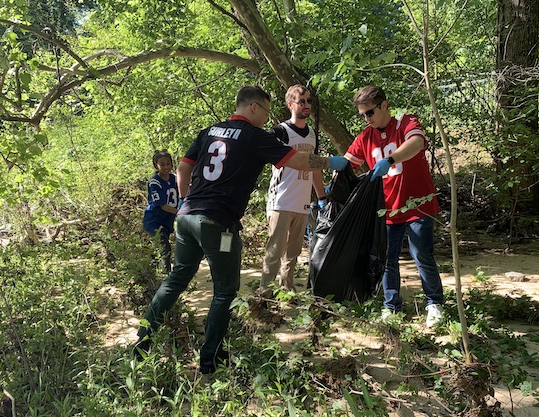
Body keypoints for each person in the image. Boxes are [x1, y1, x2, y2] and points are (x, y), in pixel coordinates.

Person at [135, 85, 349, 373]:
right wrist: (333, 162)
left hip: (186, 219)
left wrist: (187, 201)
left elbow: (184, 169)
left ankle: (142, 341)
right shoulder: (254, 137)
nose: (267, 118)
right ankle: (210, 360)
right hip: (218, 223)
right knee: (224, 291)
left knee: (175, 280)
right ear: (254, 108)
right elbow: (299, 161)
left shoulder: (209, 131)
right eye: (266, 111)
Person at [343, 85, 444, 328]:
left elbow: (417, 143)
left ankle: (434, 303)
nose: (366, 119)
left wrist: (390, 159)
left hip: (417, 206)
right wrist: (329, 174)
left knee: (422, 255)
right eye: (362, 115)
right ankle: (391, 306)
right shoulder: (365, 137)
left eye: (369, 113)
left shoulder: (406, 123)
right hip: (387, 210)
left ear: (384, 106)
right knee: (387, 259)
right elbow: (349, 164)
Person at [261, 85, 327, 292]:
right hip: (281, 200)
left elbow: (315, 167)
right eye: (302, 101)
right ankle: (265, 293)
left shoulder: (313, 135)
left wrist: (322, 195)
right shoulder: (280, 132)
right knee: (275, 250)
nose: (306, 105)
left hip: (302, 201)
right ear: (291, 105)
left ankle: (287, 290)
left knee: (294, 252)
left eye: (308, 101)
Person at [142, 150, 179, 272]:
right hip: (154, 221)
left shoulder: (175, 179)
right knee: (164, 248)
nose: (166, 167)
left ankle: (149, 271)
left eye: (168, 164)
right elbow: (162, 205)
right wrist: (179, 212)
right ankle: (167, 277)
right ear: (156, 166)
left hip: (166, 221)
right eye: (162, 164)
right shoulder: (155, 182)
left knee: (159, 249)